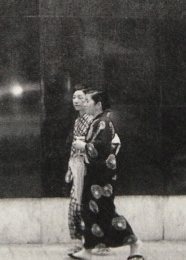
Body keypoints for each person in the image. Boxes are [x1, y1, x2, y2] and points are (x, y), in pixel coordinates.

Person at [69, 90, 145, 260]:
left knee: (106, 212)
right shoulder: (98, 122)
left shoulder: (103, 123)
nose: (84, 103)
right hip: (95, 177)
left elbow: (100, 148)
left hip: (101, 179)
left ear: (98, 105)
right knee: (91, 212)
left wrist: (83, 145)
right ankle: (88, 250)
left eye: (88, 101)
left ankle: (135, 244)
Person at [65, 87, 93, 253]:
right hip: (77, 166)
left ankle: (85, 242)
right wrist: (70, 168)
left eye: (79, 97)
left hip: (88, 166)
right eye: (74, 97)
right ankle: (78, 241)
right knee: (76, 205)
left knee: (80, 205)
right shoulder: (77, 121)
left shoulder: (92, 121)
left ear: (86, 100)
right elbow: (74, 147)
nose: (75, 100)